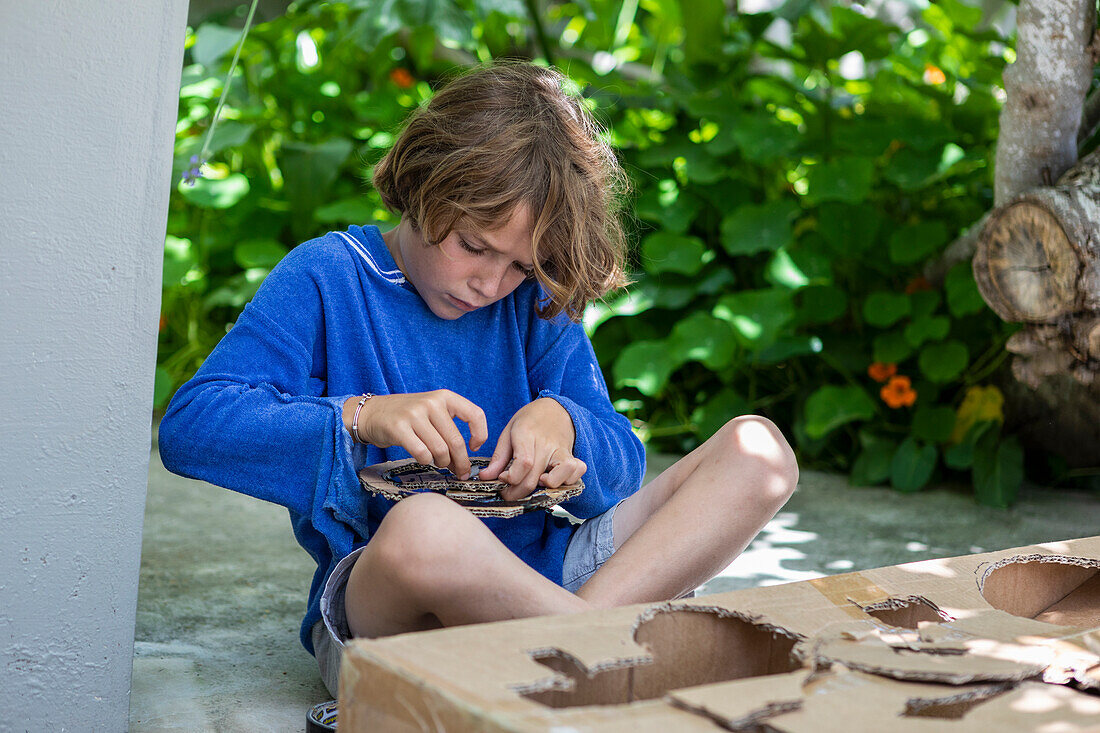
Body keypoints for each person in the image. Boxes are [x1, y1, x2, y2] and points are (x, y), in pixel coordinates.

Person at [158, 61, 799, 699]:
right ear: (424, 183)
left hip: (557, 585)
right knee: (426, 525)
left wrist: (565, 425)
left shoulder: (533, 300)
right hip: (397, 618)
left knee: (759, 452)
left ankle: (579, 652)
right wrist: (361, 416)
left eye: (521, 265)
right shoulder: (328, 277)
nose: (490, 285)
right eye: (474, 246)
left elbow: (622, 469)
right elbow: (193, 426)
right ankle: (600, 655)